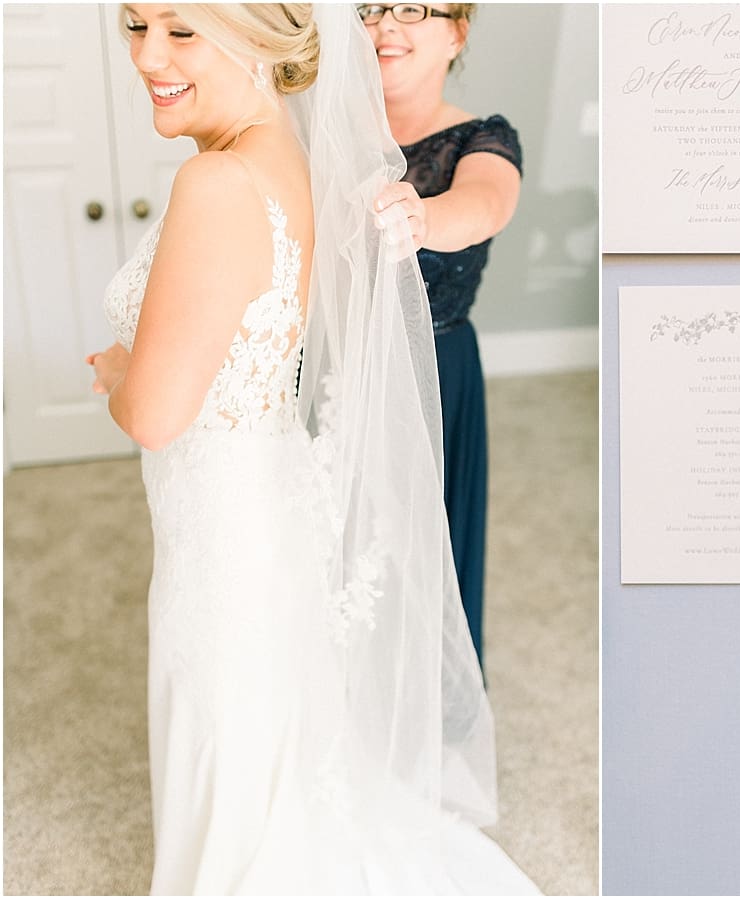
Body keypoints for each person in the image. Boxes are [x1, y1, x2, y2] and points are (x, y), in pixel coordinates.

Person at [86, 4, 537, 894]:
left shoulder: (217, 181)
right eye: (135, 25)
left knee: (230, 704)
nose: (147, 55)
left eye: (180, 31)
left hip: (228, 500)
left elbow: (154, 415)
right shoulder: (282, 151)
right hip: (262, 475)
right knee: (265, 710)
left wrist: (119, 368)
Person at [363, 2, 523, 671]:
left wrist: (422, 218)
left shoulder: (483, 138)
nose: (387, 26)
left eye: (413, 8)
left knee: (427, 549)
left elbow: (484, 203)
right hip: (338, 368)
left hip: (436, 369)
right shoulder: (321, 133)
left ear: (456, 31)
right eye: (371, 9)